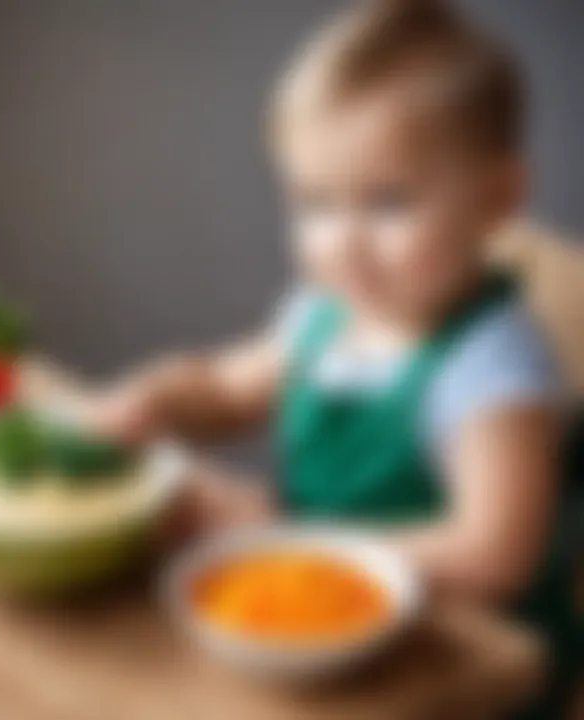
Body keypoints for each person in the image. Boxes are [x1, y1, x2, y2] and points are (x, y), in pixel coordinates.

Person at [94, 1, 580, 714]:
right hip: (327, 629)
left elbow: (492, 557)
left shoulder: (490, 369)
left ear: (495, 197)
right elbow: (229, 390)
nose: (343, 243)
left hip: (463, 670)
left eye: (387, 203)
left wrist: (289, 536)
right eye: (315, 204)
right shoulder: (326, 315)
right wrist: (159, 397)